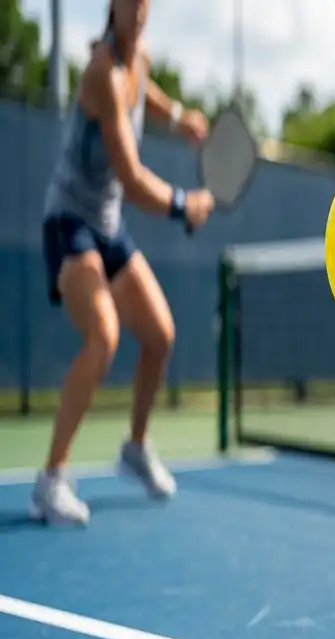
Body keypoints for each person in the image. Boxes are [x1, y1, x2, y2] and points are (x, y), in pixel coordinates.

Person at [32, 0, 215, 526]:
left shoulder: (137, 63)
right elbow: (132, 179)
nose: (137, 9)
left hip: (108, 228)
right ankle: (50, 481)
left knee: (160, 335)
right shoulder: (101, 74)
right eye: (128, 1)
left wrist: (180, 118)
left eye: (144, 2)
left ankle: (134, 448)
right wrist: (186, 204)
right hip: (69, 222)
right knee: (103, 337)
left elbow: (146, 95)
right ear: (112, 6)